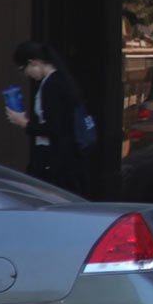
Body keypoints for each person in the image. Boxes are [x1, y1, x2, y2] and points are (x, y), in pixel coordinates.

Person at [5, 41, 91, 196]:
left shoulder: (50, 85)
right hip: (67, 157)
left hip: (53, 159)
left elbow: (53, 128)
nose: (27, 75)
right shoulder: (62, 79)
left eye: (24, 70)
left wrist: (23, 122)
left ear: (32, 63)